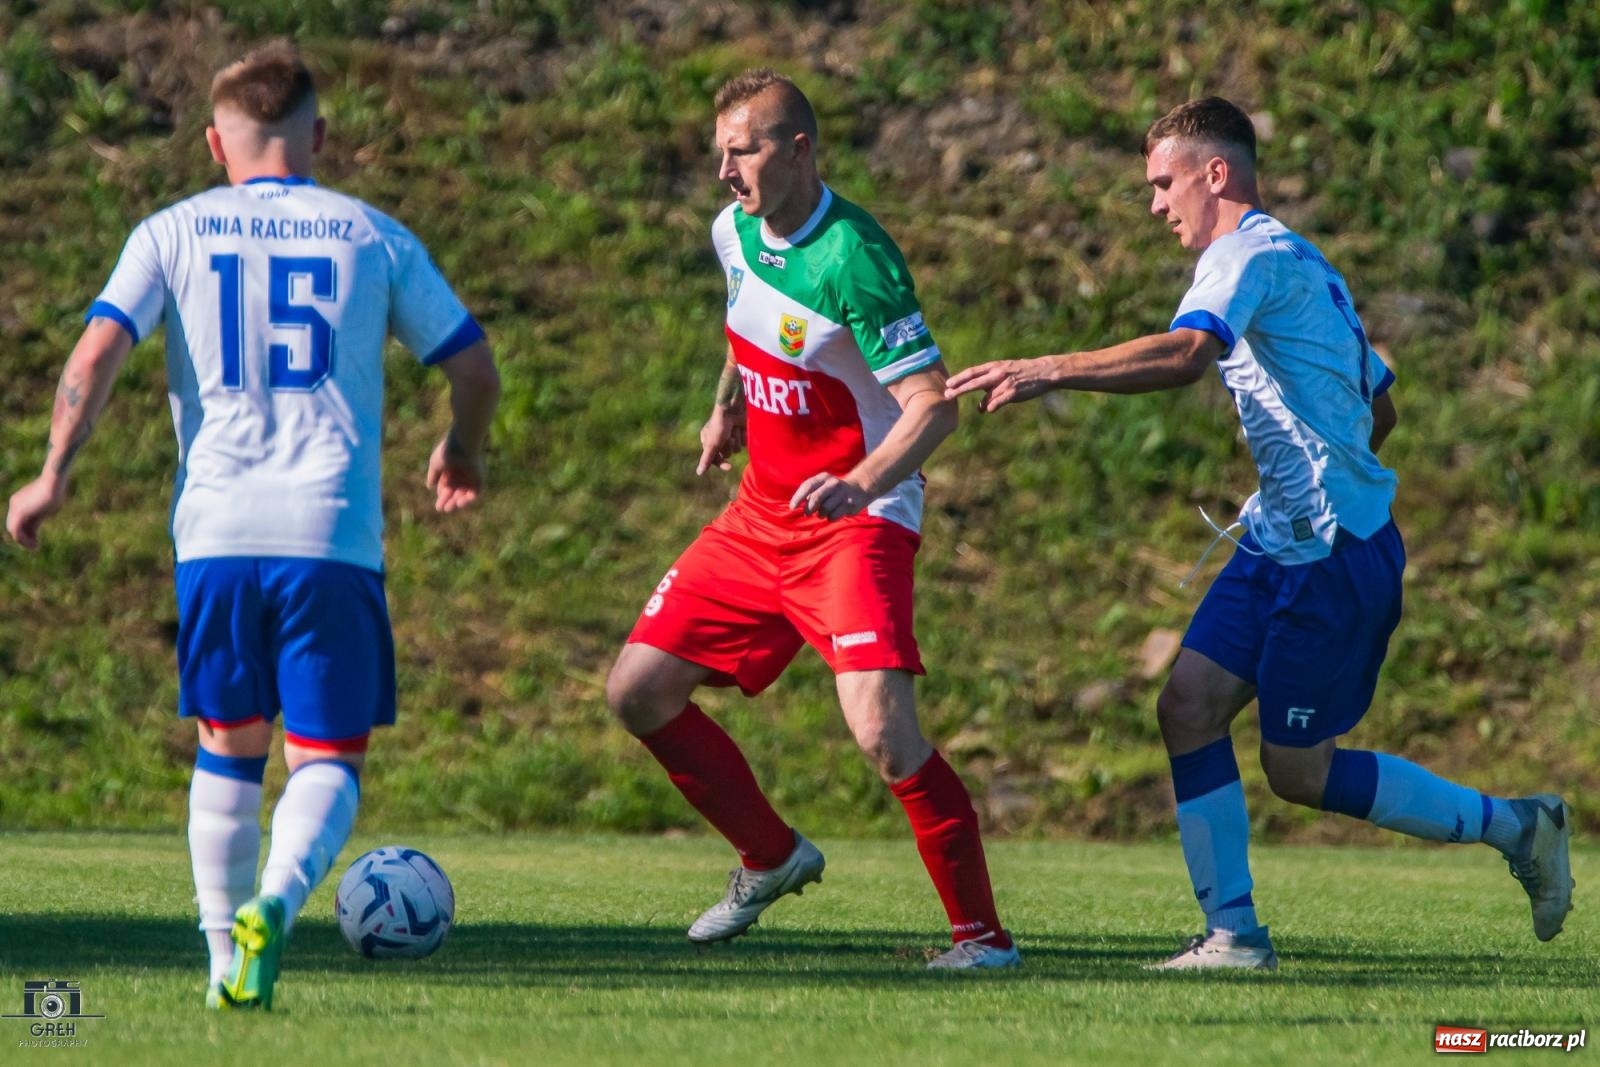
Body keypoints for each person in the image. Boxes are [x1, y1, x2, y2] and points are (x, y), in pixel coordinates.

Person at [945, 96, 1572, 969]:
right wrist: (1312, 477)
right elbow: (1378, 401)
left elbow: (1185, 355)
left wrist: (1045, 368)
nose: (1156, 203)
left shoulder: (1243, 256)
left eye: (1164, 182)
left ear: (1217, 173)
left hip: (1333, 558)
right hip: (1281, 541)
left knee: (1299, 772)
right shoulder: (1301, 261)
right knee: (1187, 707)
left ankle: (1518, 825)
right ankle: (1233, 934)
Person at [5, 44, 501, 1007]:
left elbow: (98, 349)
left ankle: (222, 961)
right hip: (330, 533)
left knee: (227, 742)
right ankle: (276, 897)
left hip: (216, 533)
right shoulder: (370, 235)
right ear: (317, 135)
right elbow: (474, 366)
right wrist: (464, 449)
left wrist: (50, 473)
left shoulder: (169, 232)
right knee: (326, 757)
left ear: (212, 143)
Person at [604, 69, 1018, 969]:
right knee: (636, 690)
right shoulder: (734, 230)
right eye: (718, 151)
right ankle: (770, 855)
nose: (724, 171)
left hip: (856, 523)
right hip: (759, 514)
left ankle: (982, 940)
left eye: (742, 150)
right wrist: (727, 409)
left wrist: (863, 483)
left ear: (798, 151)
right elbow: (743, 324)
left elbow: (931, 406)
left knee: (881, 728)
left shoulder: (856, 259)